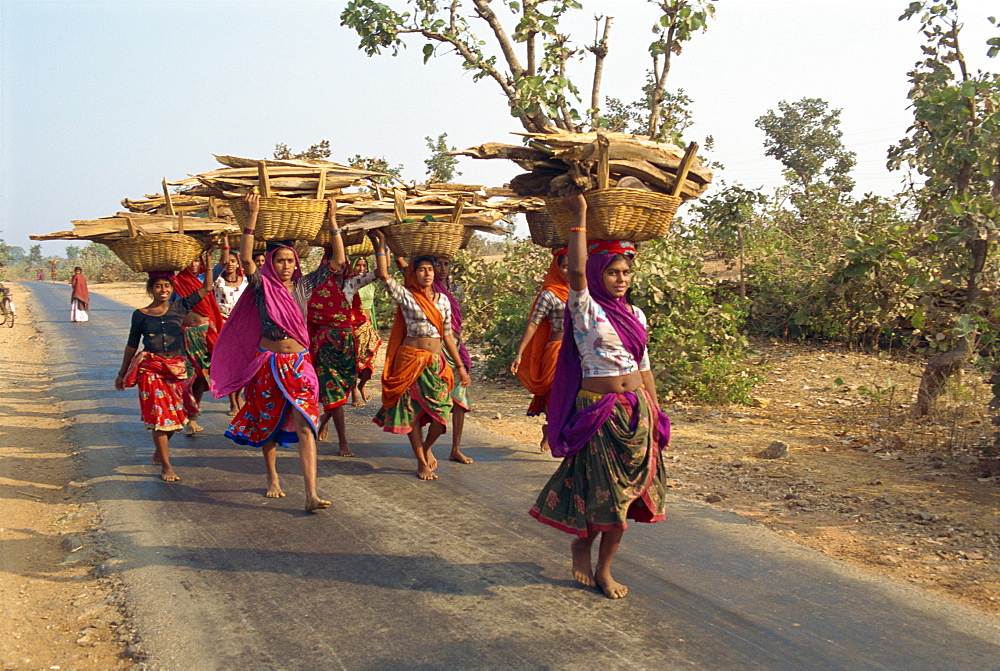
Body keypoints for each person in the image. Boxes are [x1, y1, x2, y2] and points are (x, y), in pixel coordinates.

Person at [528, 190, 670, 600]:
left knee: (626, 499)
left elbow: (643, 367)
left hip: (635, 412)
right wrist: (581, 217)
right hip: (598, 413)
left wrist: (656, 414)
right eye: (612, 272)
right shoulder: (585, 307)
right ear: (597, 275)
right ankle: (582, 546)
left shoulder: (637, 315)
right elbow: (573, 272)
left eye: (626, 272)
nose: (621, 279)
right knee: (603, 494)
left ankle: (604, 569)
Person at [210, 194, 330, 512]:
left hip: (300, 364)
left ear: (297, 263)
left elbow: (337, 264)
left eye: (290, 261)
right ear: (271, 263)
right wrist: (252, 216)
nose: (286, 266)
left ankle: (310, 494)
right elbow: (247, 260)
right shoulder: (262, 287)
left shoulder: (304, 287)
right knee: (269, 423)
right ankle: (273, 478)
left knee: (306, 425)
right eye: (280, 261)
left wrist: (332, 224)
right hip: (269, 364)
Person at [369, 229, 471, 480]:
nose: (427, 274)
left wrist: (459, 367)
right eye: (422, 270)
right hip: (410, 360)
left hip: (436, 362)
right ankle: (420, 461)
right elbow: (383, 275)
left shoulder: (443, 301)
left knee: (442, 413)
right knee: (410, 410)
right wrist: (381, 245)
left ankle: (426, 449)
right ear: (413, 274)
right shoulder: (407, 296)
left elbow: (447, 335)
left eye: (430, 270)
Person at [115, 257, 214, 482]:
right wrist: (122, 374)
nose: (163, 290)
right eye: (159, 286)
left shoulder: (180, 307)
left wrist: (208, 262)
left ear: (172, 289)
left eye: (167, 286)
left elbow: (207, 288)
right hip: (151, 370)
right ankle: (167, 466)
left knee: (179, 418)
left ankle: (160, 449)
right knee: (161, 417)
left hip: (176, 370)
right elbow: (132, 345)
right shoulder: (140, 315)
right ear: (150, 289)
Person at [307, 202, 378, 457]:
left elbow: (380, 272)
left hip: (347, 342)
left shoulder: (350, 285)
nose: (338, 267)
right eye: (333, 265)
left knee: (344, 386)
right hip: (326, 342)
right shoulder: (315, 285)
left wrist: (380, 243)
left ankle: (322, 422)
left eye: (341, 264)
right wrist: (333, 220)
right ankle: (343, 441)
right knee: (334, 389)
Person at [510, 249, 570, 451]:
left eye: (573, 265)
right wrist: (519, 354)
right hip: (557, 352)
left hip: (579, 352)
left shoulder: (583, 291)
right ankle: (552, 431)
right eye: (564, 266)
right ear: (556, 268)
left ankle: (555, 432)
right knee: (556, 395)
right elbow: (533, 324)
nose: (569, 270)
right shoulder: (550, 294)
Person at [172, 255, 225, 435]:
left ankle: (193, 416)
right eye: (190, 260)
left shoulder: (205, 278)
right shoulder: (176, 282)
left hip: (204, 334)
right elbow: (169, 305)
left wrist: (210, 255)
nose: (193, 264)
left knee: (202, 377)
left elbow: (223, 263)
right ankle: (185, 413)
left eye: (197, 260)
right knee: (186, 376)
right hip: (183, 334)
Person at [432, 255, 474, 464]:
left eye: (445, 263)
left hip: (455, 347)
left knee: (460, 400)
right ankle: (425, 447)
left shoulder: (455, 290)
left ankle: (455, 448)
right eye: (437, 263)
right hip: (436, 350)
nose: (442, 268)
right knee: (435, 398)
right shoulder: (427, 289)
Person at [213, 242, 248, 415]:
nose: (230, 264)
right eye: (227, 261)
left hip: (242, 327)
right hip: (223, 325)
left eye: (233, 261)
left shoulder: (245, 281)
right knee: (229, 364)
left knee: (241, 364)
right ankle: (233, 402)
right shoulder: (217, 281)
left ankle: (238, 397)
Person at [351, 256, 382, 407]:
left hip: (367, 327)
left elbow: (384, 268)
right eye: (358, 265)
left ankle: (361, 385)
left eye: (364, 265)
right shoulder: (349, 284)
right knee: (353, 360)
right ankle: (354, 394)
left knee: (369, 360)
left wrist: (382, 245)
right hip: (353, 327)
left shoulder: (370, 283)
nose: (361, 268)